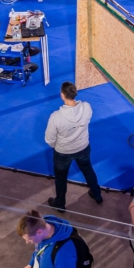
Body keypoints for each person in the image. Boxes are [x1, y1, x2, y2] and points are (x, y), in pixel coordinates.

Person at [45, 81, 102, 210]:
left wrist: (58, 147)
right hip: (83, 147)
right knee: (88, 171)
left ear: (62, 95)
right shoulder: (87, 107)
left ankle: (60, 204)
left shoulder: (56, 117)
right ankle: (97, 195)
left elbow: (49, 140)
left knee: (61, 178)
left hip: (62, 153)